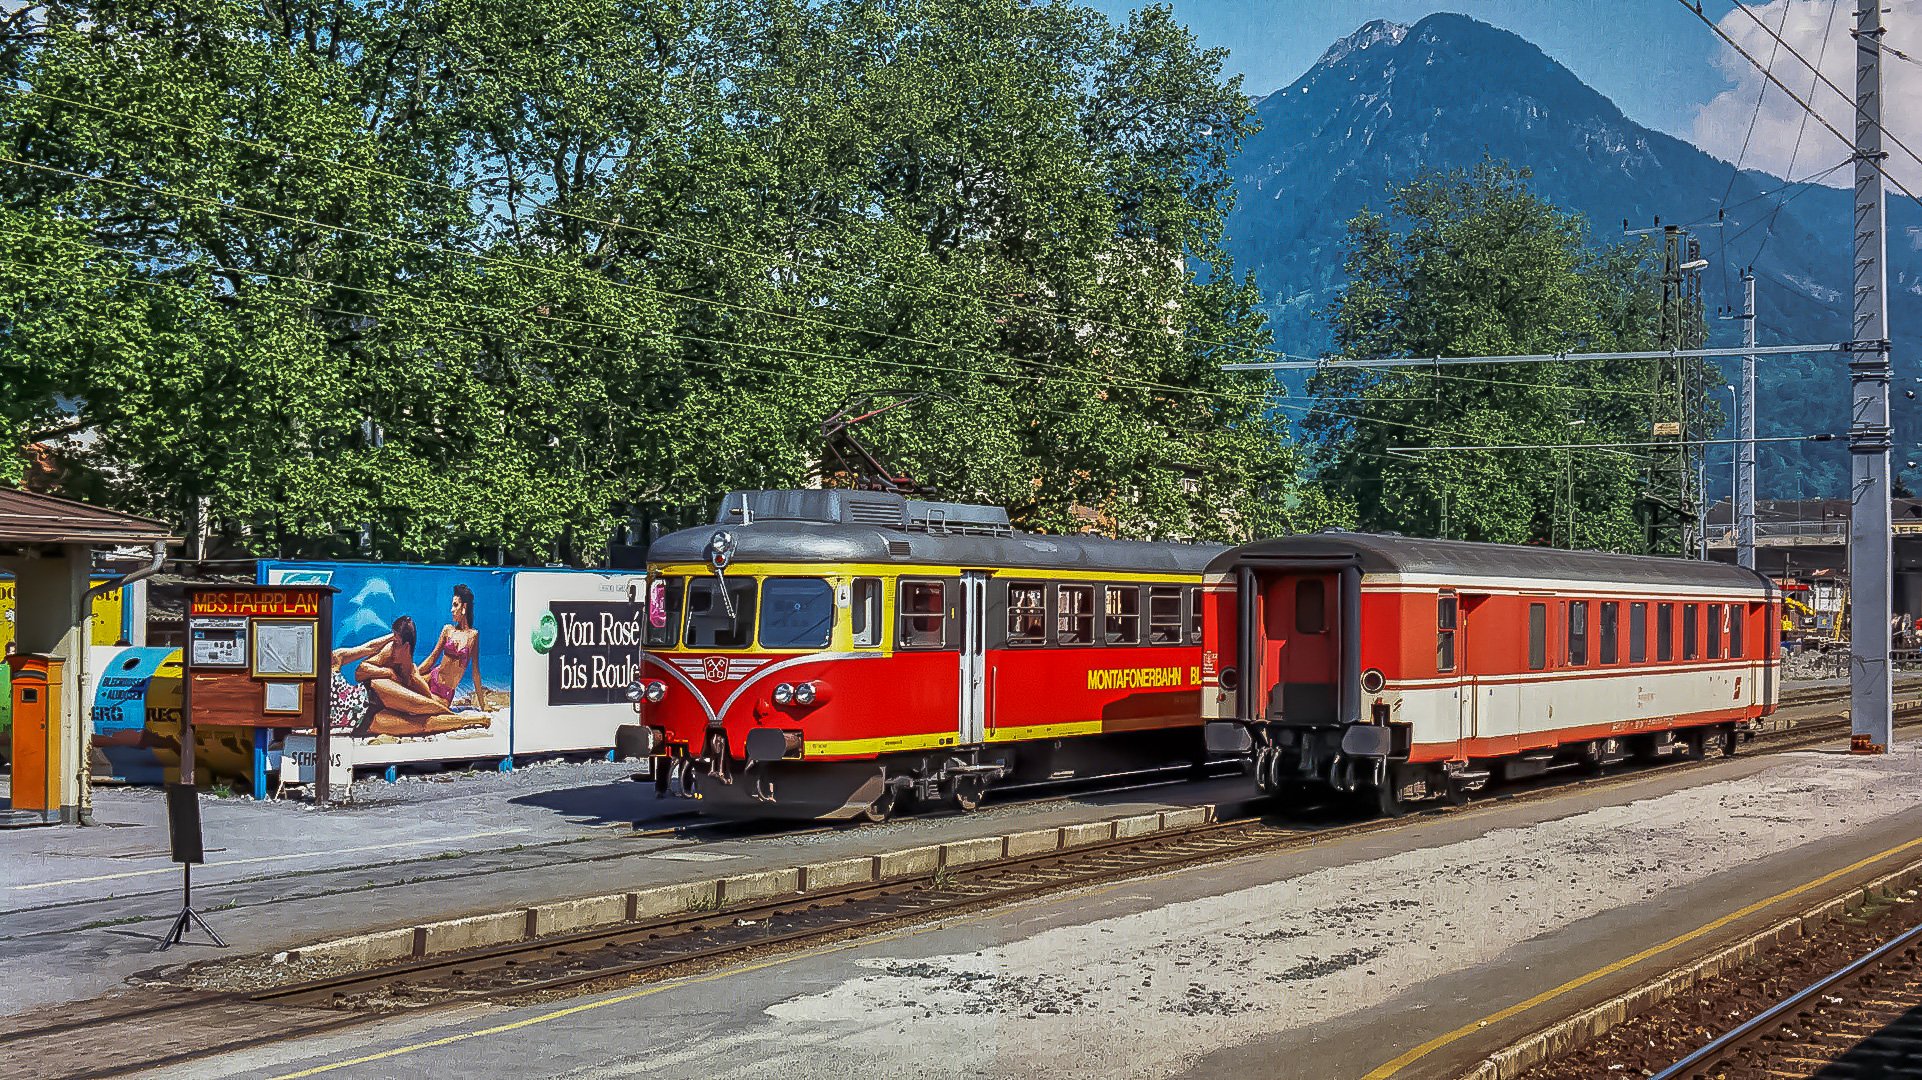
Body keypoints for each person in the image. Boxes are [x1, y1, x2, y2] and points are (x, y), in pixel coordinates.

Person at [331, 617, 485, 738]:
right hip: (363, 722)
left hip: (369, 696)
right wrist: (389, 672)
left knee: (418, 712)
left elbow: (368, 648)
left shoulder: (335, 657)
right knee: (419, 721)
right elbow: (361, 669)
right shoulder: (312, 686)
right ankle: (465, 719)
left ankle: (465, 718)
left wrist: (395, 636)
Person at [418, 583, 486, 711]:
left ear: (464, 607)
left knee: (417, 705)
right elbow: (432, 658)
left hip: (445, 694)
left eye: (455, 605)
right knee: (403, 688)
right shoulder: (448, 630)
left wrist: (483, 705)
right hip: (431, 678)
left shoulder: (473, 636)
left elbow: (475, 672)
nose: (451, 609)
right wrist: (413, 673)